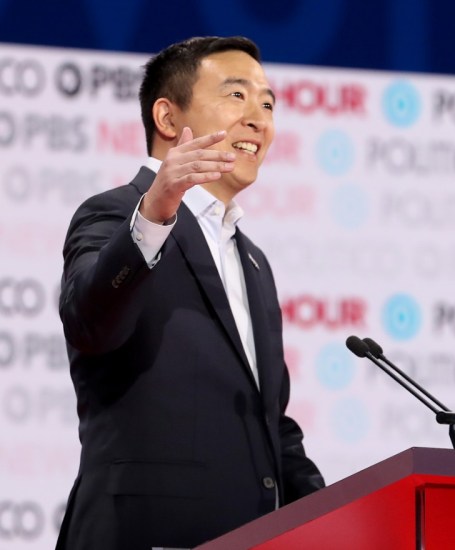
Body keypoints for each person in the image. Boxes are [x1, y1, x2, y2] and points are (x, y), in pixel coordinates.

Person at [56, 36, 324, 549]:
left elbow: (272, 426)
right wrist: (154, 215)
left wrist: (342, 520)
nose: (259, 118)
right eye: (236, 96)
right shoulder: (115, 214)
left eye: (268, 103)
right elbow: (90, 323)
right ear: (166, 117)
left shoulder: (254, 262)